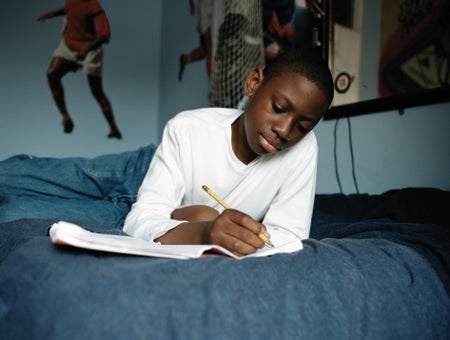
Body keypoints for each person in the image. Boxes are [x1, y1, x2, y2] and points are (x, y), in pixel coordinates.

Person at [124, 49, 334, 256]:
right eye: (278, 108)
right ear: (253, 83)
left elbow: (290, 238)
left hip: (178, 206)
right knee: (95, 179)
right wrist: (204, 232)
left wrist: (215, 228)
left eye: (303, 127)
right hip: (136, 166)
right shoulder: (185, 129)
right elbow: (139, 220)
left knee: (204, 214)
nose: (284, 130)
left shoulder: (303, 148)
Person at [37, 0, 122, 139]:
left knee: (96, 91)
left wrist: (86, 49)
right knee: (52, 74)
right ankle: (66, 117)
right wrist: (52, 13)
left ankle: (113, 128)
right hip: (69, 45)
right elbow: (70, 10)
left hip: (90, 49)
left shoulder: (93, 5)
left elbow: (104, 35)